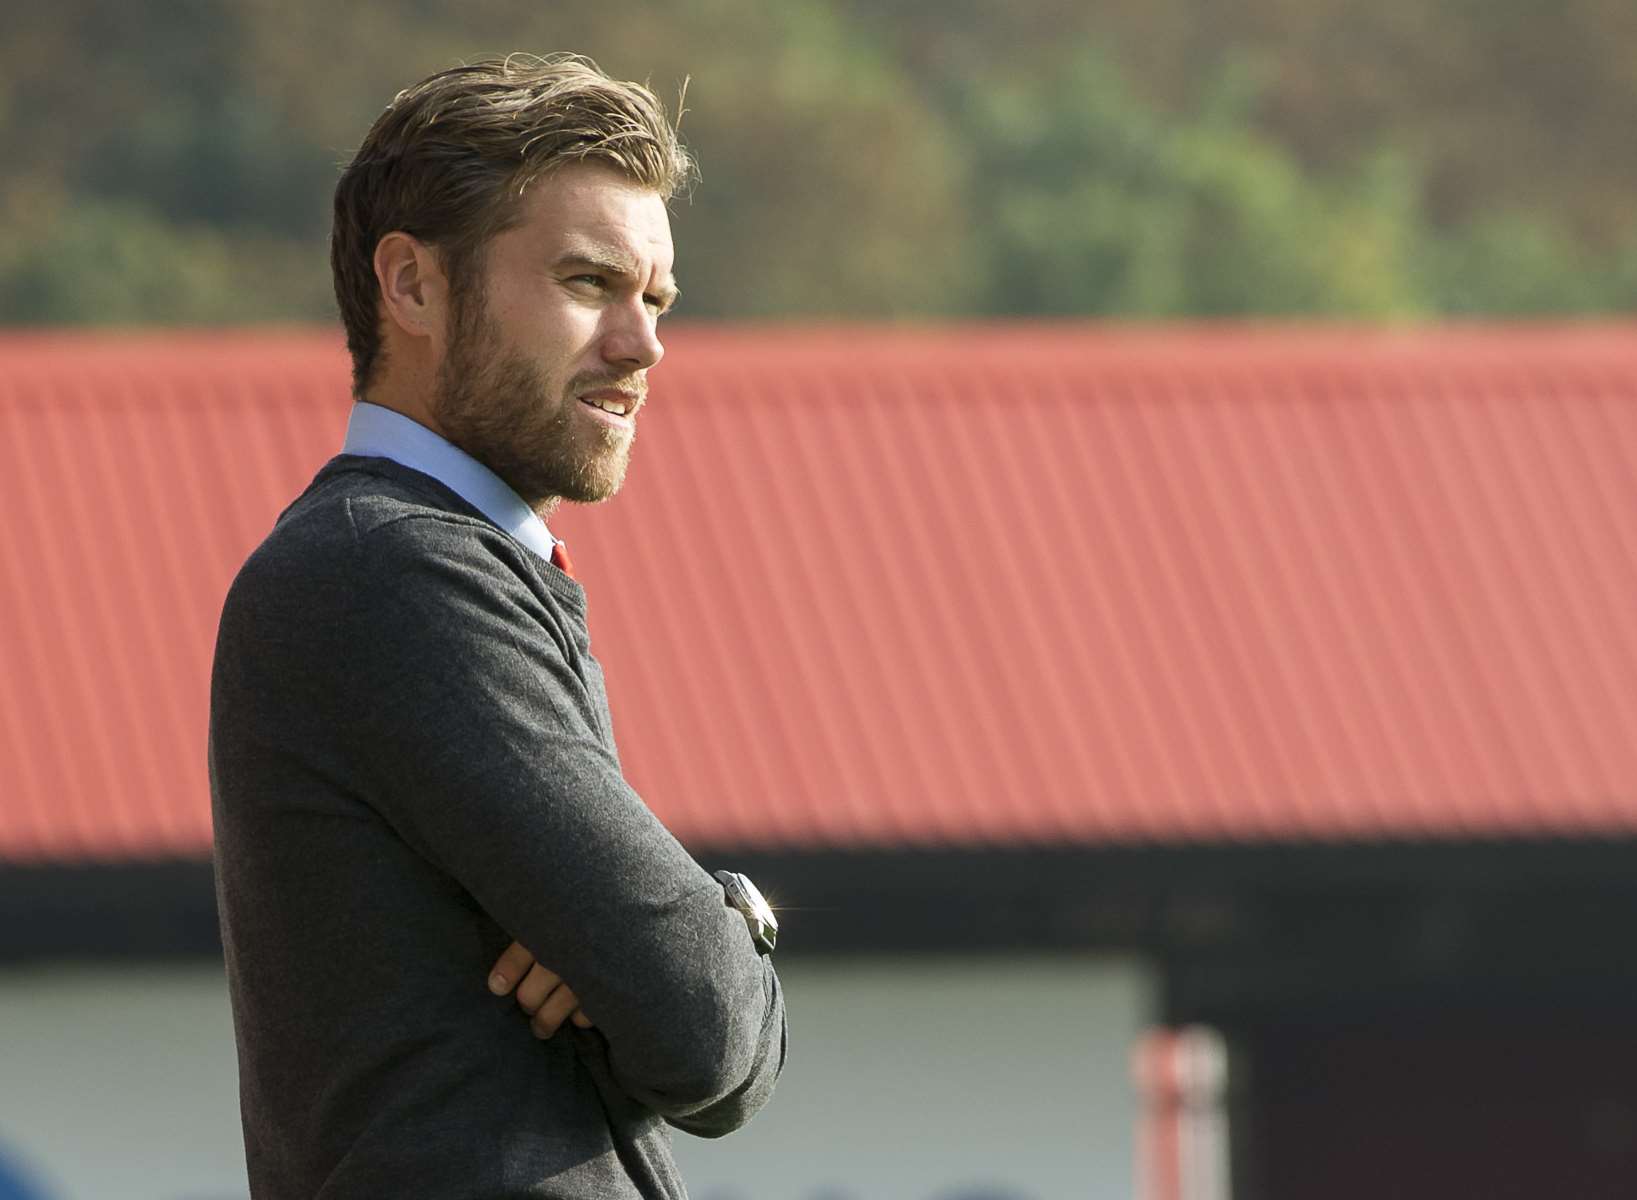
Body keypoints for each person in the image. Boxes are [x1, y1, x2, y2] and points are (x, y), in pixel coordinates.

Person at [209, 54, 787, 1199]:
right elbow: (705, 1029)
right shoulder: (390, 568)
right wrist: (720, 928)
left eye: (656, 299)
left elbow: (678, 1005)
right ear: (411, 287)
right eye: (587, 283)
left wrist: (662, 933)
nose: (643, 344)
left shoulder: (423, 562)